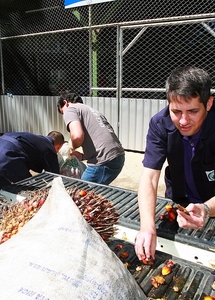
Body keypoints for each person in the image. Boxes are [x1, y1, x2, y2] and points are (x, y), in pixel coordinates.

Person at [134, 66, 215, 262]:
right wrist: (147, 227)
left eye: (193, 111)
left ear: (209, 103)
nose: (184, 121)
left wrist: (206, 208)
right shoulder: (159, 124)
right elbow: (150, 177)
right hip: (180, 203)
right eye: (176, 111)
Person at [57, 92, 125, 185]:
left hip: (103, 161)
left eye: (62, 112)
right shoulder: (93, 111)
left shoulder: (70, 109)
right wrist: (83, 156)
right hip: (118, 157)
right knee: (95, 192)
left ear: (65, 103)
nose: (64, 115)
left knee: (81, 191)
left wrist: (70, 146)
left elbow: (77, 137)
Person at [0, 131, 64, 192]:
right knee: (30, 190)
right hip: (8, 156)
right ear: (59, 146)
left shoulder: (33, 139)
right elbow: (55, 177)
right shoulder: (49, 148)